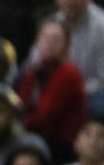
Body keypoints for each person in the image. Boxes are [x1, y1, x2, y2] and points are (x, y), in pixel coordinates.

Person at [17, 19, 88, 163]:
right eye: (45, 38)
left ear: (66, 45)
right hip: (36, 138)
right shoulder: (34, 71)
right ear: (37, 42)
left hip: (60, 145)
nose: (49, 43)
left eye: (56, 39)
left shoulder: (69, 73)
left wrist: (19, 123)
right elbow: (19, 105)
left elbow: (44, 117)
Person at [54, 0, 104, 118]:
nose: (71, 0)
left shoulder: (101, 26)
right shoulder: (53, 23)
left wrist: (74, 92)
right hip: (59, 89)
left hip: (91, 92)